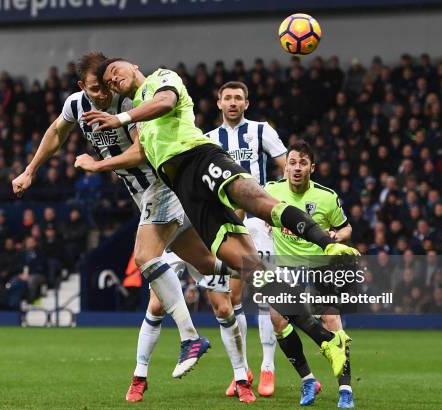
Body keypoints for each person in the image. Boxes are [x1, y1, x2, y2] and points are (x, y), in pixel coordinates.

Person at [84, 58, 357, 391]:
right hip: (183, 189)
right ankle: (327, 341)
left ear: (134, 67)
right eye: (109, 80)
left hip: (200, 158)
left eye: (116, 72)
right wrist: (102, 165)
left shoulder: (161, 79)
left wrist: (120, 117)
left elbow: (166, 102)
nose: (113, 80)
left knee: (258, 201)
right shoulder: (139, 117)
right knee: (251, 270)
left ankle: (329, 244)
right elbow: (142, 154)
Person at [12, 52, 235, 383]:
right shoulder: (77, 105)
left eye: (105, 86)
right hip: (143, 194)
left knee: (145, 257)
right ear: (81, 86)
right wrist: (30, 170)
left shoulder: (127, 104)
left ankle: (190, 337)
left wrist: (97, 164)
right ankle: (259, 268)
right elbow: (56, 132)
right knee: (206, 263)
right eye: (95, 88)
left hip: (160, 184)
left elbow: (141, 151)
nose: (102, 94)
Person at [203, 81, 287, 397]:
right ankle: (243, 371)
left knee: (266, 295)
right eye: (228, 98)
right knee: (232, 299)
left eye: (239, 98)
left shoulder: (262, 131)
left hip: (259, 223)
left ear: (247, 103)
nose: (233, 102)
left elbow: (285, 167)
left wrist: (274, 213)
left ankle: (268, 368)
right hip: (227, 226)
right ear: (219, 103)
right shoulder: (209, 140)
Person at [264, 141, 356, 409]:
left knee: (331, 320)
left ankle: (346, 388)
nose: (296, 168)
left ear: (311, 168)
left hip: (320, 266)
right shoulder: (271, 191)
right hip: (286, 267)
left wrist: (337, 236)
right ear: (285, 166)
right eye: (292, 162)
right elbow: (255, 211)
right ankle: (307, 380)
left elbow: (347, 228)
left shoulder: (327, 197)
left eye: (303, 163)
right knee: (277, 319)